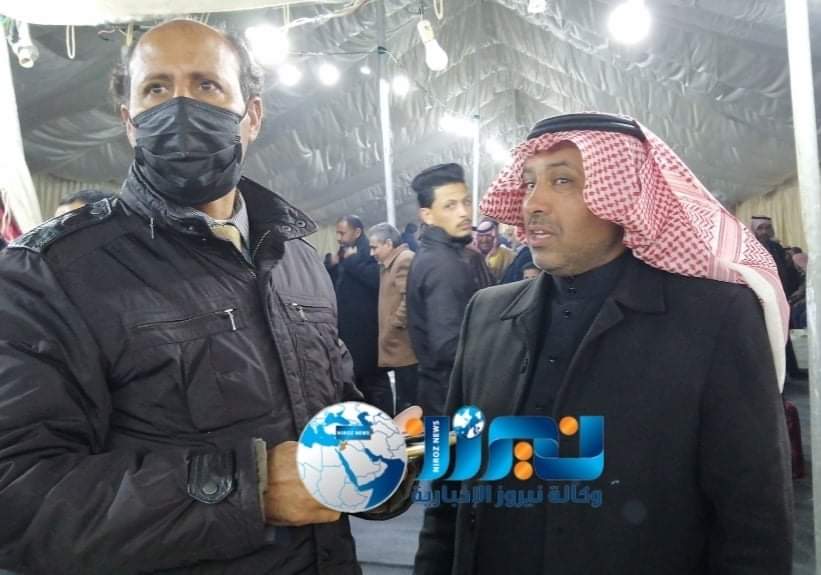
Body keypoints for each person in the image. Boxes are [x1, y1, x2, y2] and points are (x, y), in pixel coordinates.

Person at [0, 19, 385, 574]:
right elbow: (17, 495)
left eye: (207, 85)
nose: (181, 108)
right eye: (157, 88)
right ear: (129, 122)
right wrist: (249, 492)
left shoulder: (296, 258)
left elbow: (328, 404)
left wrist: (378, 454)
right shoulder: (51, 274)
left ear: (252, 116)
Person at [414, 113, 793, 574]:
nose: (534, 202)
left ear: (623, 196)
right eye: (529, 182)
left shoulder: (714, 318)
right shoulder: (486, 312)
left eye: (563, 181)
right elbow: (450, 487)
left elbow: (753, 520)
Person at [407, 163, 493, 416]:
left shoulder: (440, 254)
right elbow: (448, 347)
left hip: (443, 394)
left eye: (466, 202)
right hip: (452, 399)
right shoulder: (444, 264)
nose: (464, 212)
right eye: (450, 206)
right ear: (427, 215)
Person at [328, 215, 393, 415]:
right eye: (337, 233)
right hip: (349, 331)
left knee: (375, 381)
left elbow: (377, 279)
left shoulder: (370, 251)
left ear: (357, 232)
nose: (339, 238)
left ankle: (386, 421)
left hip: (368, 330)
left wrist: (351, 262)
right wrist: (331, 265)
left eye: (342, 233)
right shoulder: (342, 253)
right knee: (356, 381)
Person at [367, 222, 419, 412]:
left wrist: (395, 323)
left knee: (409, 400)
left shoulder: (404, 260)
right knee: (404, 397)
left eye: (375, 247)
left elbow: (409, 298)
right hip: (398, 343)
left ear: (388, 244)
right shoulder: (390, 263)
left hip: (404, 345)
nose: (372, 253)